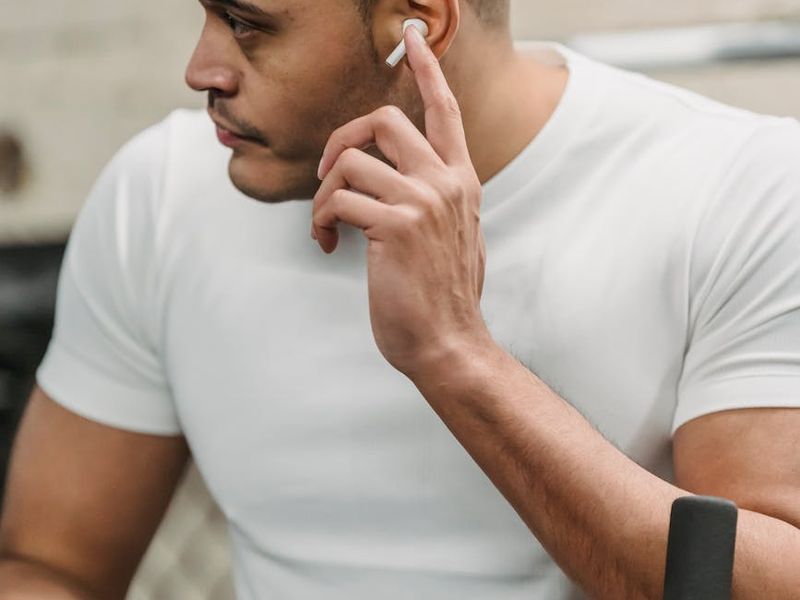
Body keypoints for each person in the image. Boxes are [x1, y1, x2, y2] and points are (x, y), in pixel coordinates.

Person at [1, 0, 799, 598]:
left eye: (247, 25)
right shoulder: (162, 191)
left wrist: (458, 356)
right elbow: (50, 566)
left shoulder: (739, 190)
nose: (201, 68)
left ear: (416, 24)